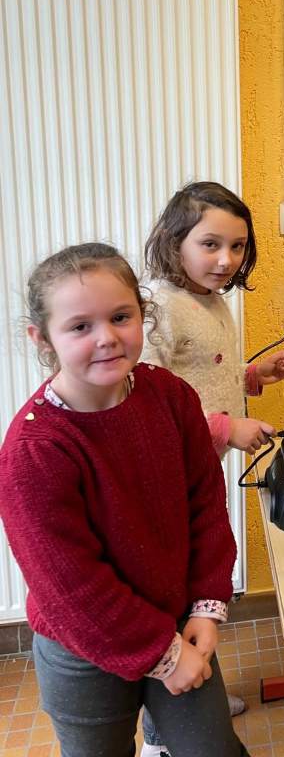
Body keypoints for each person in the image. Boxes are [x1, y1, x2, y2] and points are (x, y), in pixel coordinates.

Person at [0, 243, 250, 757]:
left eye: (120, 317)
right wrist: (163, 654)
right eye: (80, 326)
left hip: (179, 621)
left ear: (143, 314)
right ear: (41, 338)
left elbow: (205, 504)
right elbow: (69, 585)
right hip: (84, 650)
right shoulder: (34, 448)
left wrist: (207, 607)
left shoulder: (170, 395)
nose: (107, 338)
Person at [140, 181, 284, 753]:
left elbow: (205, 376)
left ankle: (199, 685)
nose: (226, 259)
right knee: (176, 599)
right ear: (174, 241)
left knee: (200, 589)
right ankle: (160, 733)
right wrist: (229, 428)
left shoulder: (210, 299)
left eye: (237, 246)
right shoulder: (159, 308)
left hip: (200, 476)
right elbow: (152, 402)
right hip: (169, 483)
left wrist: (253, 376)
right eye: (210, 244)